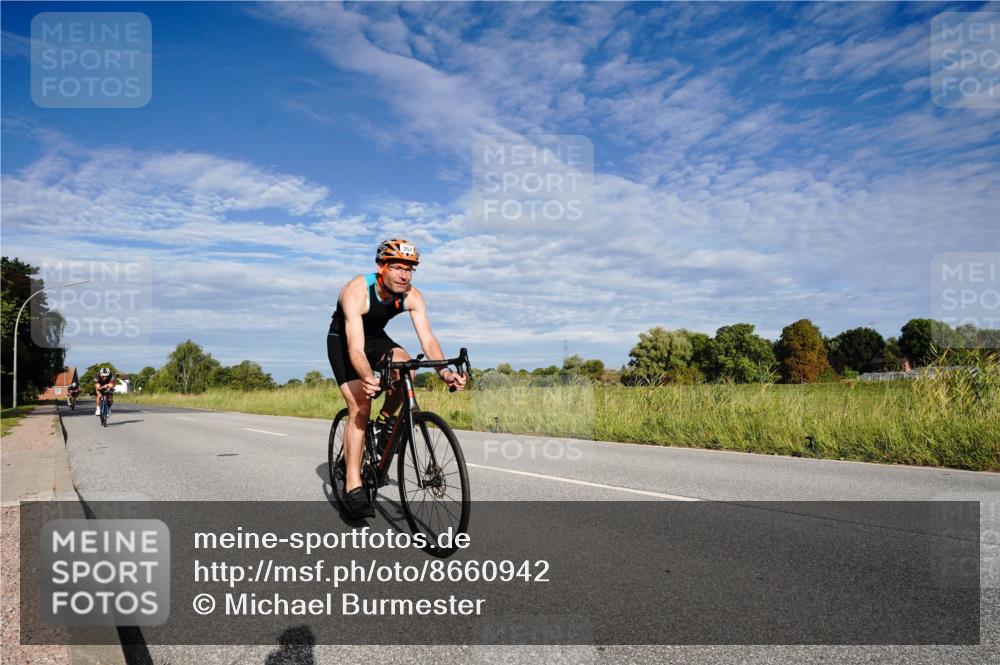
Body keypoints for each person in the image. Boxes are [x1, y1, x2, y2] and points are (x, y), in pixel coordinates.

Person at [327, 239, 466, 517]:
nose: (405, 275)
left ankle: (385, 423)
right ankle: (353, 485)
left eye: (410, 269)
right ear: (381, 267)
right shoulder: (357, 291)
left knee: (408, 366)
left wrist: (446, 373)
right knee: (360, 407)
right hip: (345, 343)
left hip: (376, 339)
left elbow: (427, 340)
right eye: (398, 268)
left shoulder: (412, 295)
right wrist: (368, 377)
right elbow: (355, 348)